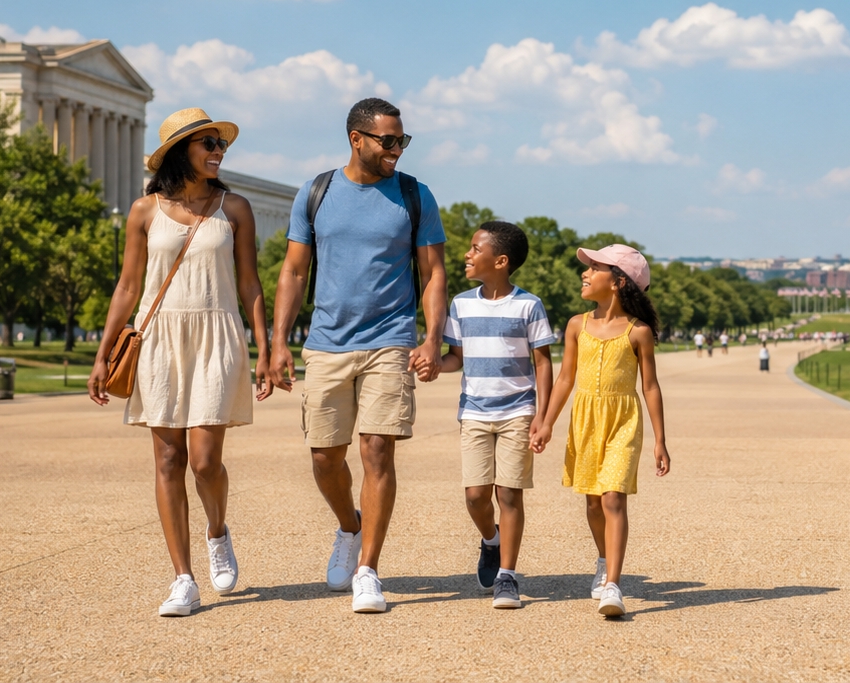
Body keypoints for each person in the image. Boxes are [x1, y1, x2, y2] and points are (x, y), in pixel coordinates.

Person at [264, 98, 447, 615]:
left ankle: (368, 568)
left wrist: (431, 337)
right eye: (388, 141)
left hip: (391, 340)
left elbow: (433, 273)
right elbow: (294, 272)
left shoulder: (414, 195)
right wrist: (278, 341)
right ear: (356, 138)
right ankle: (349, 526)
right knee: (324, 456)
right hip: (326, 343)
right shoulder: (317, 192)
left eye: (402, 141)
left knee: (377, 452)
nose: (396, 150)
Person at [88, 108, 270, 618]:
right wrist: (103, 355)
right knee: (169, 459)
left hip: (216, 334)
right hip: (158, 339)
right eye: (207, 142)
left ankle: (217, 531)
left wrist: (264, 348)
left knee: (206, 459)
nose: (218, 150)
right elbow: (127, 286)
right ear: (179, 150)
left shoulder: (234, 207)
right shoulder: (144, 210)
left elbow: (251, 284)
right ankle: (183, 579)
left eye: (220, 143)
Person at [531, 244, 670, 618]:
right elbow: (564, 379)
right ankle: (604, 558)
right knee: (593, 501)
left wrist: (660, 440)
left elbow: (650, 387)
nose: (585, 273)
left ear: (618, 282)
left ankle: (613, 584)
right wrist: (546, 422)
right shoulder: (577, 325)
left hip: (623, 420)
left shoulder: (638, 332)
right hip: (586, 420)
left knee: (612, 498)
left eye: (594, 268)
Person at [436, 221, 555, 609]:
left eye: (475, 248)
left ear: (500, 261)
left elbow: (543, 363)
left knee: (509, 493)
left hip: (518, 411)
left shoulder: (528, 305)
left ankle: (508, 576)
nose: (467, 255)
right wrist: (435, 365)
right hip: (474, 410)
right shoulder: (461, 304)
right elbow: (457, 357)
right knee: (475, 496)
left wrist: (542, 415)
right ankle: (491, 540)